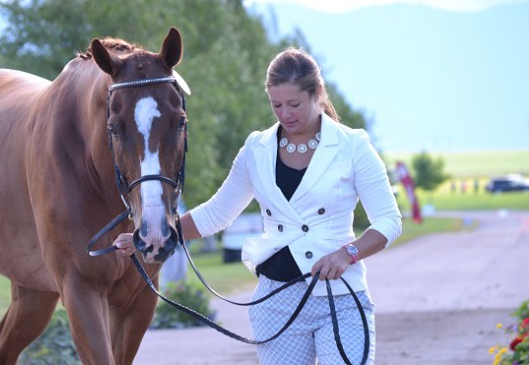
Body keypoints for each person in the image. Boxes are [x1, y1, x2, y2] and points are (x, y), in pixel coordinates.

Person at [114, 47, 402, 364]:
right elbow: (216, 213)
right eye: (276, 105)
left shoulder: (352, 145)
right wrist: (156, 235)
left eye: (294, 104)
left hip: (340, 298)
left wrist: (348, 253)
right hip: (275, 304)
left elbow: (389, 221)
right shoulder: (257, 148)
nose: (285, 114)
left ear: (317, 93)